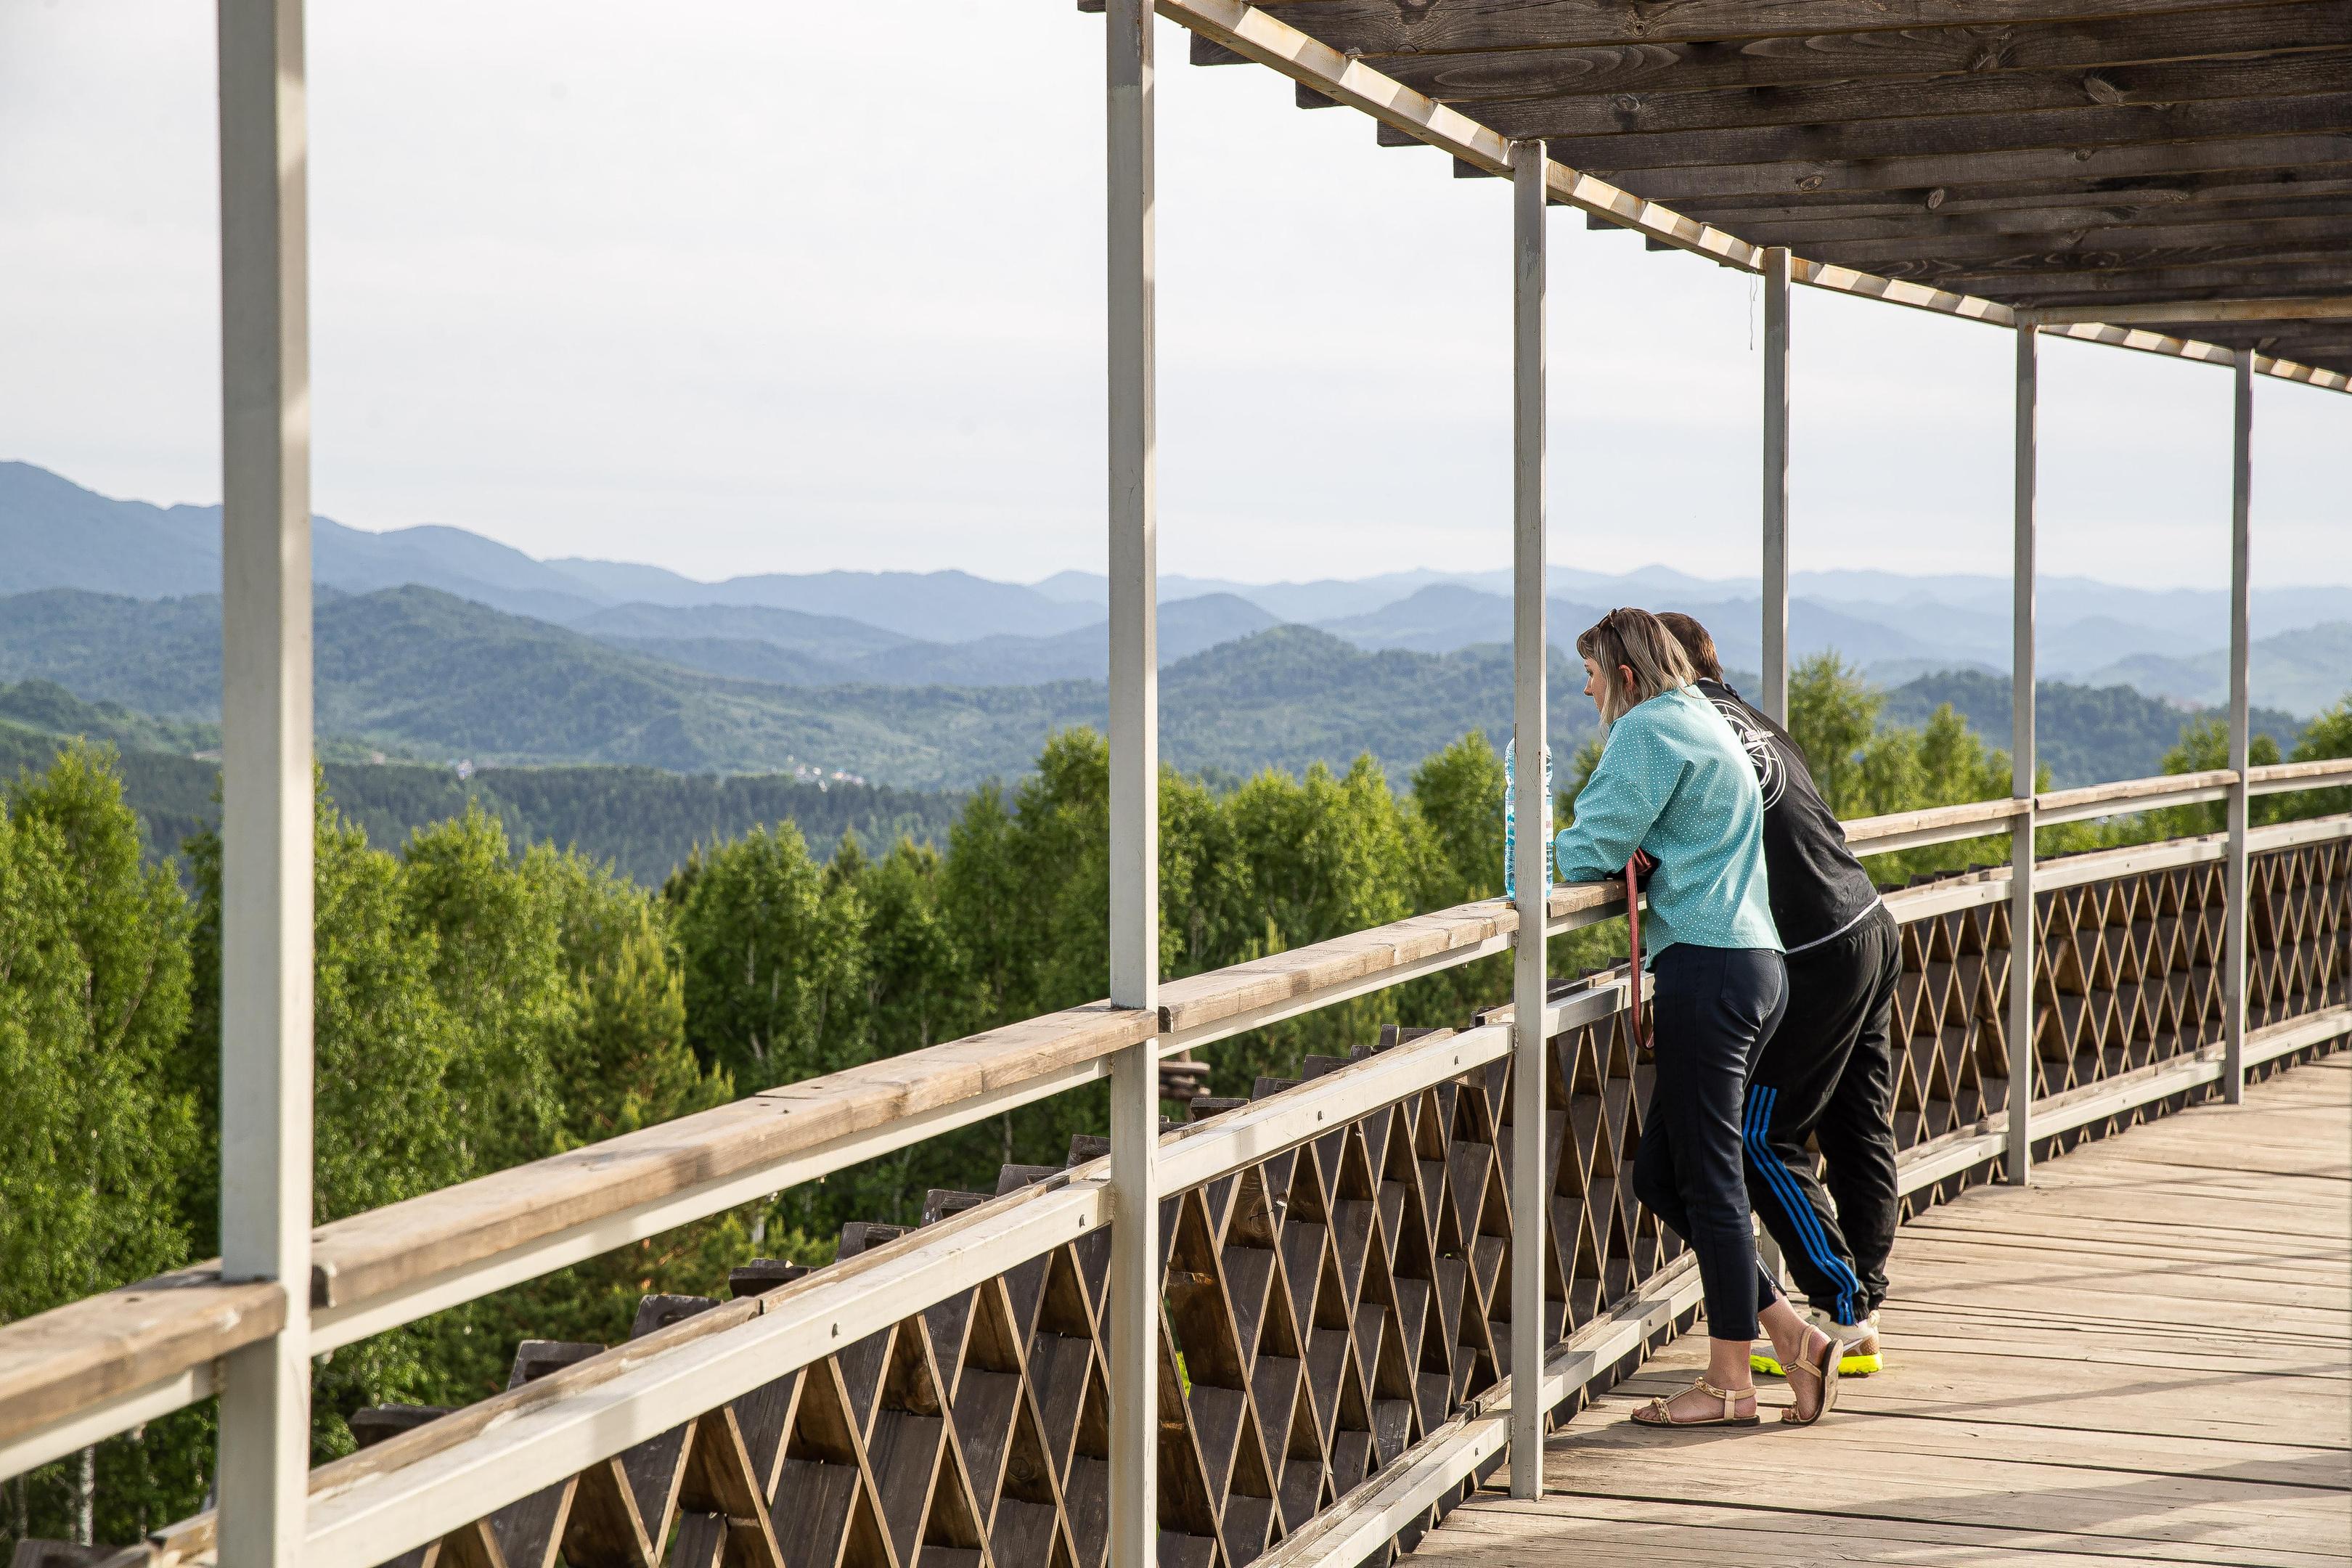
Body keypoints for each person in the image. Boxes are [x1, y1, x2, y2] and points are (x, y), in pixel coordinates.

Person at [1550, 608, 1839, 1426]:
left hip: (1709, 970)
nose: (1588, 689)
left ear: (1629, 678)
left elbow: (1589, 850)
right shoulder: (1706, 720)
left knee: (1708, 1181)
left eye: (1596, 675)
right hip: (1754, 963)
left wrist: (1530, 855)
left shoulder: (1647, 730)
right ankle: (1790, 1334)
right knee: (1662, 1176)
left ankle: (1729, 1385)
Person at [1657, 612, 1902, 1379]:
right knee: (1858, 1114)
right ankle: (1861, 1300)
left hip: (1812, 945)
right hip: (1867, 918)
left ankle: (1841, 1314)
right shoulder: (1758, 720)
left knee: (1761, 1134)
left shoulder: (1687, 730)